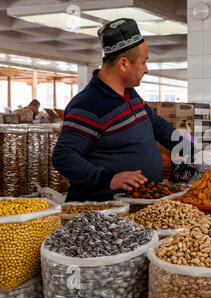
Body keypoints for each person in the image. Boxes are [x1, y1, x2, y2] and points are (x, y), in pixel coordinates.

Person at [52, 18, 193, 202]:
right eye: (143, 62)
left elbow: (158, 125)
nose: (147, 69)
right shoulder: (87, 105)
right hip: (103, 212)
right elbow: (63, 156)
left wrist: (193, 152)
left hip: (136, 204)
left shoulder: (130, 94)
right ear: (124, 64)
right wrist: (109, 179)